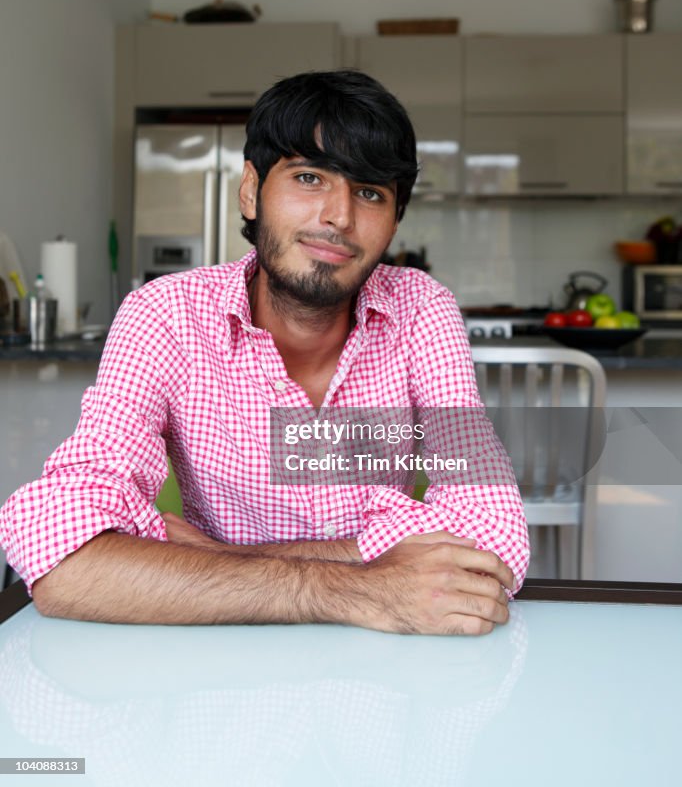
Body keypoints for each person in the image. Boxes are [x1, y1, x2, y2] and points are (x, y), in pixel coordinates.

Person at [0, 70, 529, 634]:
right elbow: (58, 551)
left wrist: (208, 556)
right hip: (223, 660)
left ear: (395, 221)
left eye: (370, 192)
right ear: (251, 191)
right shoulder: (166, 314)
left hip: (372, 663)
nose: (339, 217)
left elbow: (494, 540)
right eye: (309, 177)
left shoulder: (422, 310)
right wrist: (358, 584)